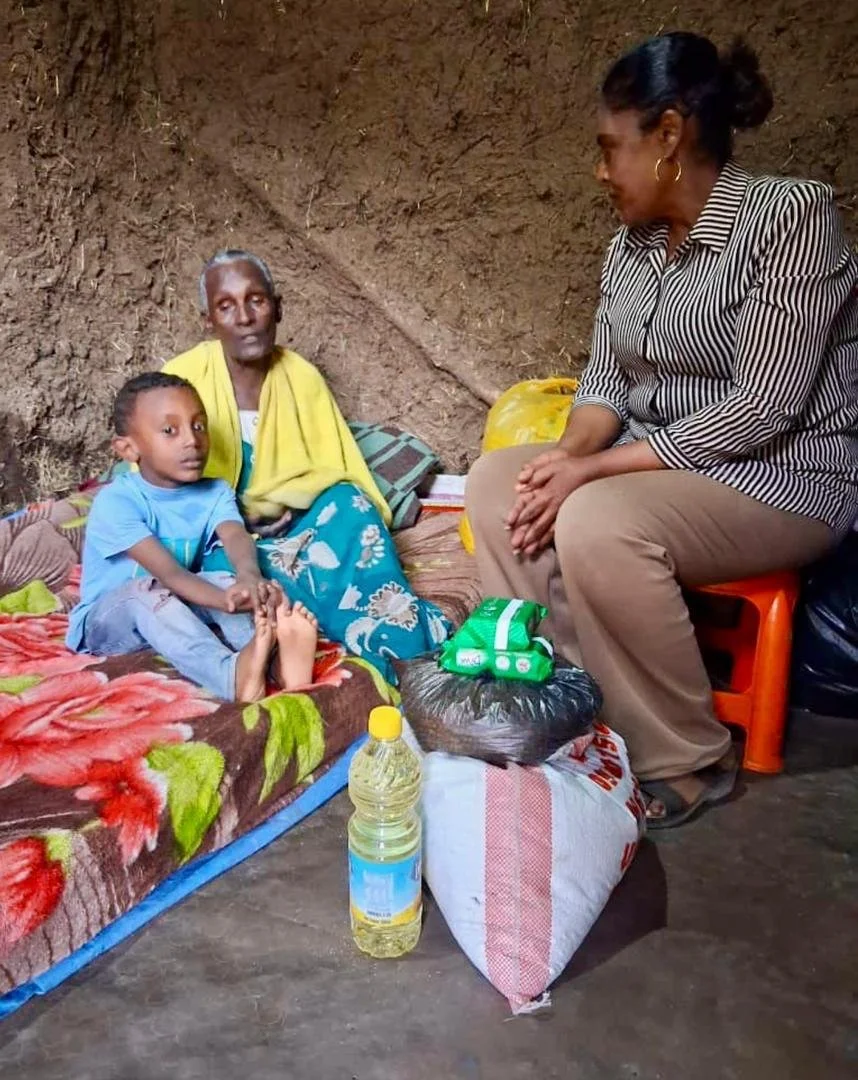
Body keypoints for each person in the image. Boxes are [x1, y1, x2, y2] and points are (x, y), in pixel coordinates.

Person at [466, 32, 858, 828]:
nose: (601, 171)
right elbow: (607, 385)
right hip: (658, 466)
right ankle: (561, 704)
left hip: (787, 477)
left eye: (612, 148)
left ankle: (686, 757)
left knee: (602, 522)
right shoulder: (629, 249)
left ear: (671, 136)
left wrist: (595, 475)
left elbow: (766, 404)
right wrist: (566, 460)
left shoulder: (790, 219)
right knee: (496, 481)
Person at [162, 251, 449, 681]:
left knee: (353, 508)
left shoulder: (302, 378)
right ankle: (333, 629)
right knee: (237, 574)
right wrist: (236, 520)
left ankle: (402, 638)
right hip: (221, 534)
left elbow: (336, 467)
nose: (244, 317)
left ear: (278, 307)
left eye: (256, 301)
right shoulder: (182, 378)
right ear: (208, 320)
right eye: (226, 306)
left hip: (301, 522)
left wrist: (295, 509)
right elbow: (159, 483)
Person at [67, 372, 320, 701]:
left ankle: (274, 664)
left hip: (175, 607)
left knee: (225, 579)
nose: (191, 440)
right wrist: (226, 602)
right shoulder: (117, 502)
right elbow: (170, 574)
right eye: (170, 431)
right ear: (128, 448)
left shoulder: (214, 491)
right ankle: (230, 676)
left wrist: (247, 579)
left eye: (198, 426)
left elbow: (235, 536)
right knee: (145, 592)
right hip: (109, 623)